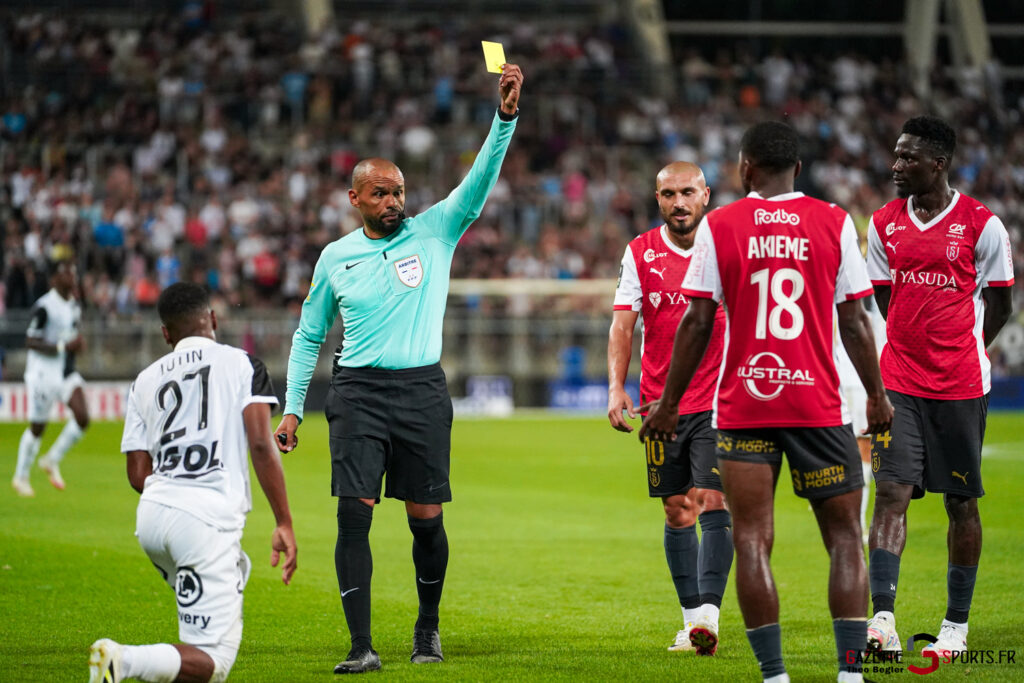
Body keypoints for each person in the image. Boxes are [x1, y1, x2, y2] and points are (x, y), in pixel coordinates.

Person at [274, 64, 523, 674]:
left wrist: (505, 119)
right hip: (357, 394)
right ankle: (360, 647)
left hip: (421, 392)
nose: (393, 202)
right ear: (354, 198)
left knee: (425, 522)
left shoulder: (436, 230)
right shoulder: (335, 258)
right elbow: (309, 337)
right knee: (351, 517)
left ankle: (427, 630)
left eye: (398, 192)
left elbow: (480, 179)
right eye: (380, 193)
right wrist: (291, 407)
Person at [639, 121, 893, 683]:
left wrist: (667, 403)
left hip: (744, 404)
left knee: (752, 536)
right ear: (798, 169)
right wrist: (876, 396)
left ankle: (774, 677)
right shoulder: (833, 222)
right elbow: (854, 319)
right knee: (846, 536)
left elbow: (697, 320)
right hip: (818, 405)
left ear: (744, 168)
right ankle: (850, 673)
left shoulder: (721, 225)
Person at [89, 282, 297, 683]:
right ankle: (121, 661)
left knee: (233, 573)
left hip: (152, 518)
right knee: (213, 660)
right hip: (202, 520)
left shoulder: (144, 380)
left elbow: (137, 474)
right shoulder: (243, 365)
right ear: (214, 319)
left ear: (166, 334)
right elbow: (260, 442)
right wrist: (283, 521)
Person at [864, 116, 1014, 657]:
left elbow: (1001, 304)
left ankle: (955, 628)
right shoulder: (882, 223)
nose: (896, 166)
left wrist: (961, 346)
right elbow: (882, 297)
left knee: (961, 502)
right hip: (898, 381)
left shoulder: (982, 224)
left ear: (939, 163)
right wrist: (911, 342)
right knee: (891, 493)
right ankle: (882, 620)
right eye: (896, 155)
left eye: (908, 158)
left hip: (960, 384)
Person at [607, 161, 733, 655]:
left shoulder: (728, 246)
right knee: (677, 508)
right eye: (667, 194)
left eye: (687, 192)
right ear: (657, 198)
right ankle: (690, 622)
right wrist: (617, 387)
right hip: (661, 403)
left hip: (722, 399)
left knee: (712, 499)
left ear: (705, 193)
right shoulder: (640, 252)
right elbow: (623, 323)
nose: (678, 202)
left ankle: (709, 615)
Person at [12, 255, 89, 496]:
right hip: (42, 373)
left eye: (74, 272)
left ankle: (51, 459)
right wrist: (62, 347)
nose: (72, 276)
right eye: (67, 272)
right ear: (55, 279)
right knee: (38, 427)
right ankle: (21, 476)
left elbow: (70, 334)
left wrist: (76, 345)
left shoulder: (74, 305)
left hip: (64, 370)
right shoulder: (44, 306)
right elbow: (30, 340)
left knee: (83, 417)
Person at [836, 295, 887, 545]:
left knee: (846, 451)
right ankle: (855, 523)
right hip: (860, 383)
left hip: (840, 380)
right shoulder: (875, 301)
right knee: (863, 454)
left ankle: (844, 512)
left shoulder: (839, 295)